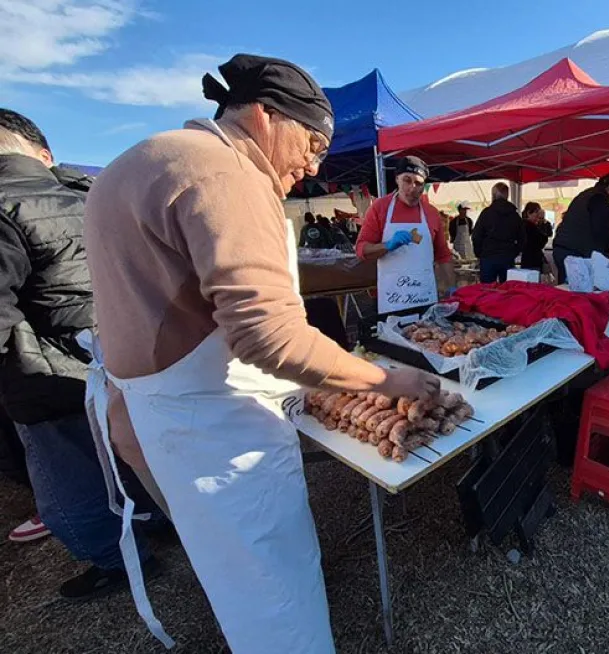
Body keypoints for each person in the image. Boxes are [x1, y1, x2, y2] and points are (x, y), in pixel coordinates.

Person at [84, 54, 439, 652]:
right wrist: (387, 380)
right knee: (274, 590)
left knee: (234, 574)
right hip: (222, 428)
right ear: (266, 116)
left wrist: (125, 405)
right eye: (313, 144)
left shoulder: (138, 161)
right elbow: (269, 337)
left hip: (166, 414)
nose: (314, 165)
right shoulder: (226, 173)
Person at [0, 108, 167, 596]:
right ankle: (159, 519)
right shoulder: (95, 193)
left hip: (47, 372)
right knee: (134, 451)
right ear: (43, 154)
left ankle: (119, 561)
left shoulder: (4, 205)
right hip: (128, 352)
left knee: (68, 484)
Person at [357, 155, 456, 313]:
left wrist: (452, 288)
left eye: (419, 183)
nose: (412, 188)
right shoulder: (379, 208)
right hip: (393, 300)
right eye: (407, 180)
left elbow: (443, 256)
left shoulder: (431, 213)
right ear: (397, 179)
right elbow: (361, 250)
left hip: (425, 299)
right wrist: (387, 246)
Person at [553, 173, 609, 283]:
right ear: (608, 187)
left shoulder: (586, 195)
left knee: (566, 289)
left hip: (563, 248)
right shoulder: (599, 199)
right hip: (576, 252)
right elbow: (599, 228)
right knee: (578, 289)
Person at [472, 182, 523, 283]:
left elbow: (476, 236)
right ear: (507, 195)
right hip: (507, 256)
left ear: (493, 195)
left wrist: (479, 253)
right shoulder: (514, 215)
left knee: (487, 289)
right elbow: (522, 238)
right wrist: (514, 252)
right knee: (507, 289)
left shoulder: (486, 213)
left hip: (488, 257)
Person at [520, 201, 553, 271]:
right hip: (532, 260)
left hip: (528, 260)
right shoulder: (529, 226)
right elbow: (541, 241)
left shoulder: (526, 225)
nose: (538, 215)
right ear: (529, 213)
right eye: (536, 212)